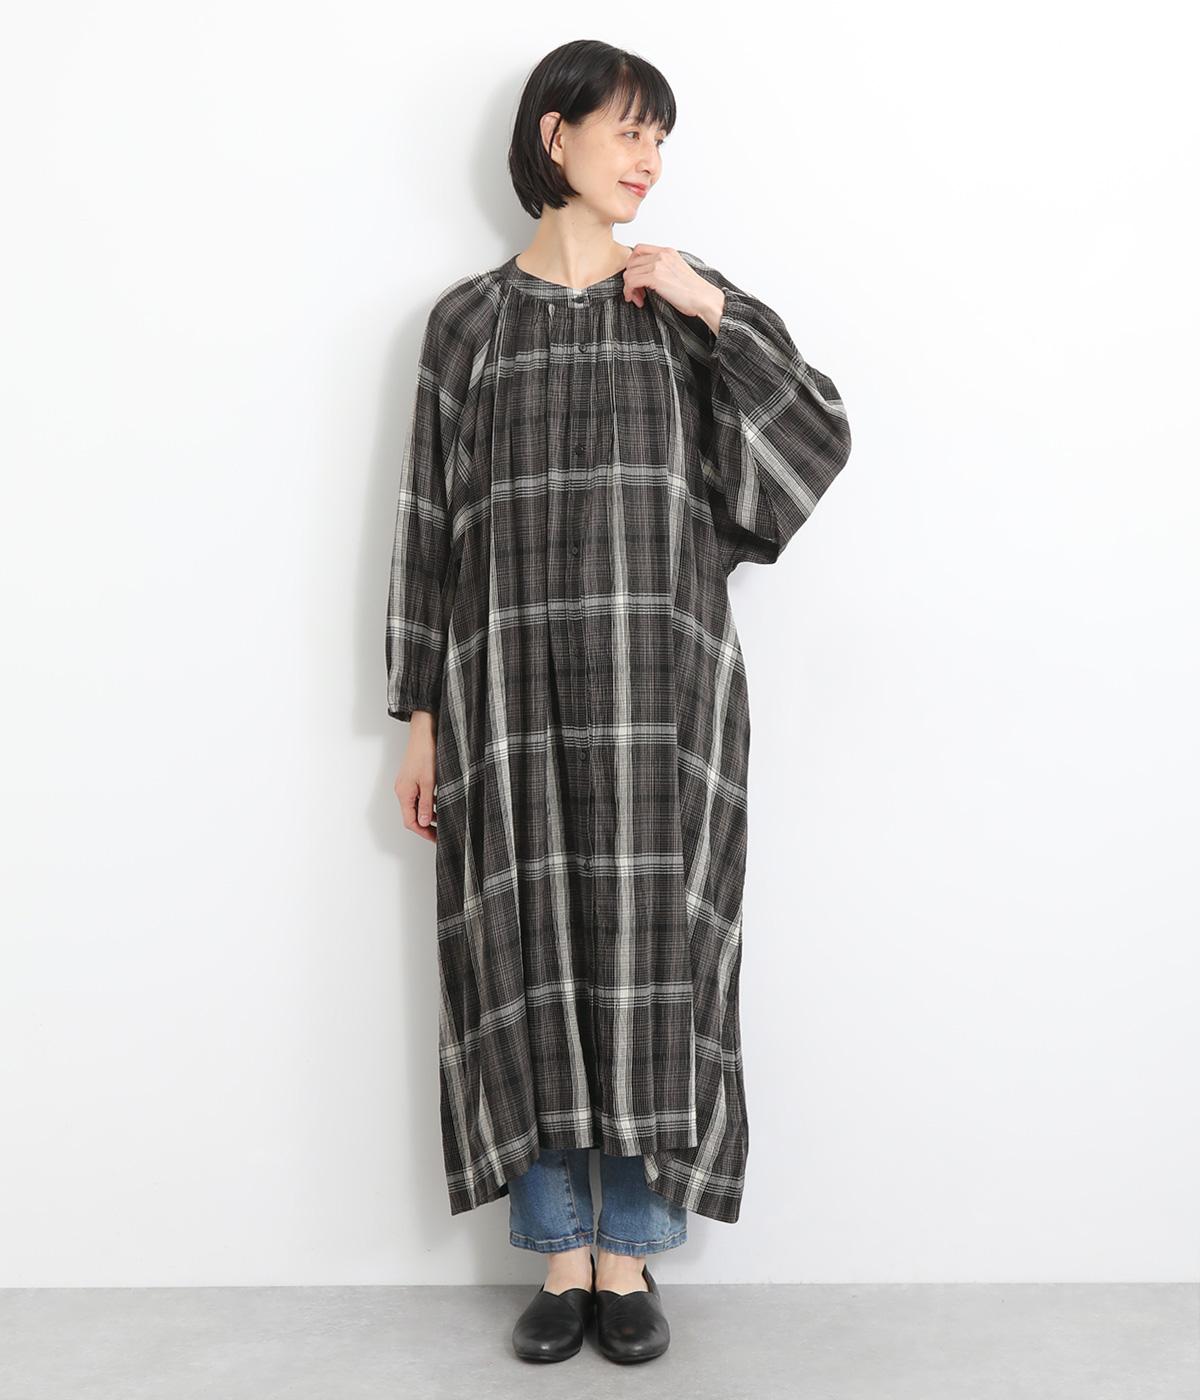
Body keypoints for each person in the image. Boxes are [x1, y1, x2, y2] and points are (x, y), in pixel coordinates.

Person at [386, 40, 852, 1364]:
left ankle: (631, 1260)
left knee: (651, 953)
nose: (650, 159)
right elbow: (431, 525)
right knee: (525, 948)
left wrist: (711, 306)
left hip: (662, 690)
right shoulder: (467, 326)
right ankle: (561, 1255)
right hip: (508, 693)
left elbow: (814, 437)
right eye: (629, 131)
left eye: (661, 138)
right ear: (556, 136)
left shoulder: (679, 305)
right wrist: (419, 715)